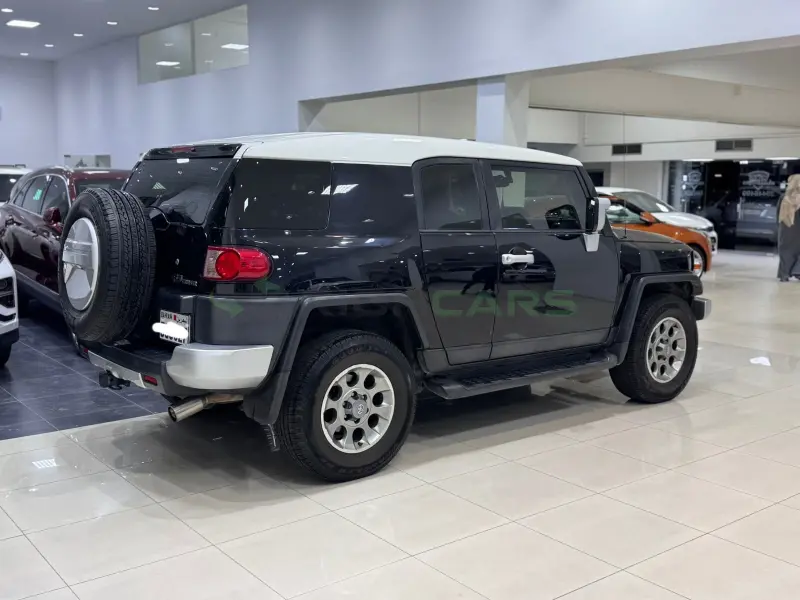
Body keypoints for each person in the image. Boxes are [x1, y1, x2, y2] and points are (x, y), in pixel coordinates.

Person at [777, 174, 800, 281]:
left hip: (786, 229)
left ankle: (784, 274)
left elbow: (778, 215)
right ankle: (797, 271)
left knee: (785, 252)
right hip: (798, 230)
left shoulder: (784, 197)